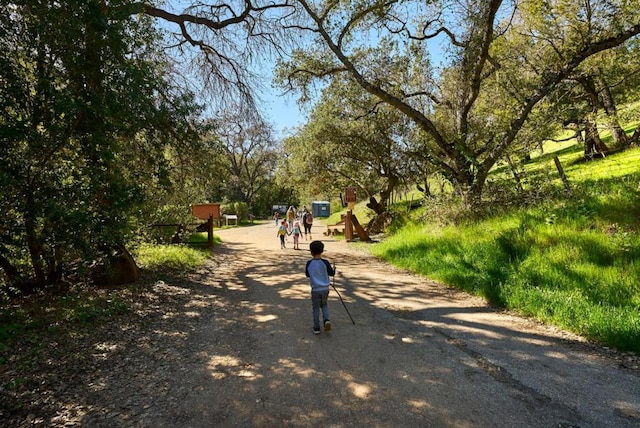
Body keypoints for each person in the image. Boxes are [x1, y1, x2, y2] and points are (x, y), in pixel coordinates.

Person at [305, 240, 336, 335]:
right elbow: (331, 273)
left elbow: (307, 274)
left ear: (311, 251)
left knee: (315, 308)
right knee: (324, 304)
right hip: (325, 289)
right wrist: (334, 269)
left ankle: (316, 327)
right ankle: (326, 320)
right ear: (322, 251)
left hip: (315, 289)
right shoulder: (325, 262)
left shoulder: (309, 263)